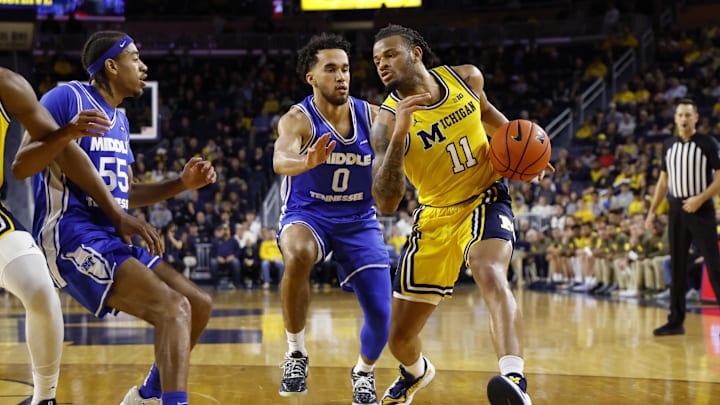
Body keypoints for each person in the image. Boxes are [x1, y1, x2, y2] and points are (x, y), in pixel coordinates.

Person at [26, 31, 216, 405]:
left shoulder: (122, 121)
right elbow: (31, 152)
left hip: (109, 235)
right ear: (111, 66)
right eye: (135, 57)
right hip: (70, 234)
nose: (144, 66)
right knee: (173, 309)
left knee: (197, 304)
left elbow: (126, 192)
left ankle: (147, 396)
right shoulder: (68, 96)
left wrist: (180, 183)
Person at [371, 24, 547, 405]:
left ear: (416, 53)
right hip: (434, 217)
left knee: (489, 270)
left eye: (390, 54)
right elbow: (385, 202)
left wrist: (530, 152)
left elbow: (487, 113)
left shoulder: (466, 78)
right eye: (376, 60)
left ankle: (514, 380)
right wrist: (401, 137)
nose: (382, 64)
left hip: (486, 196)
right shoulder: (385, 123)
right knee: (398, 339)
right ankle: (416, 372)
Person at [1, 66, 164, 404]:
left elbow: (62, 151)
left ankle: (44, 398)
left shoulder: (8, 84)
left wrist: (116, 212)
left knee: (39, 288)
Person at [272, 33, 391, 404]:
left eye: (345, 69)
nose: (341, 76)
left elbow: (403, 156)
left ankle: (364, 373)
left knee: (381, 313)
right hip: (309, 213)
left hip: (359, 217)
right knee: (299, 253)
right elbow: (279, 160)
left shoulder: (372, 116)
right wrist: (305, 162)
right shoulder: (298, 118)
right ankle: (295, 353)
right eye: (331, 69)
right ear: (312, 77)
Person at [645, 98, 720, 336]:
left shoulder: (708, 143)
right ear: (675, 118)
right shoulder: (667, 145)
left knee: (714, 263)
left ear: (696, 118)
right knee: (677, 265)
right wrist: (651, 212)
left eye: (688, 114)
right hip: (676, 209)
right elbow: (663, 182)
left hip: (701, 209)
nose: (684, 119)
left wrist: (700, 198)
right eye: (680, 115)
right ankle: (675, 321)